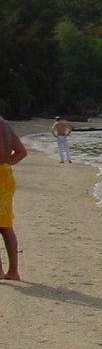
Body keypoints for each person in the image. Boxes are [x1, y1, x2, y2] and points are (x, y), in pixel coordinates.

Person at [0, 114, 27, 280]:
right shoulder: (4, 124)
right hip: (6, 175)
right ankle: (13, 270)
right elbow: (21, 152)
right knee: (5, 225)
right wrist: (5, 164)